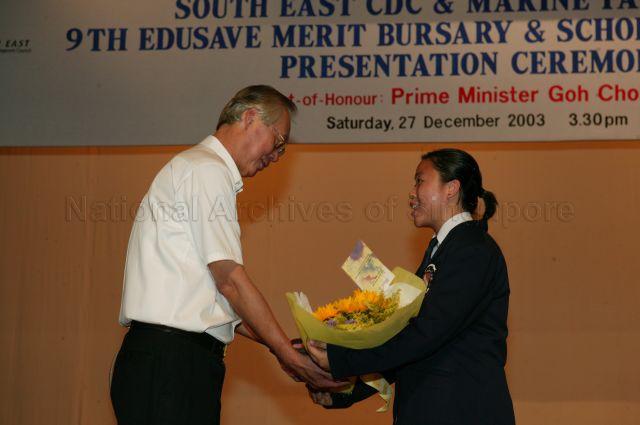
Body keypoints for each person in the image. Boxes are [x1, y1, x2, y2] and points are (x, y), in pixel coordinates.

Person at [111, 85, 342, 425]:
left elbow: (217, 303)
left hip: (174, 362)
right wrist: (285, 353)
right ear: (250, 118)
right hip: (171, 363)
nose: (277, 157)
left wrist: (283, 347)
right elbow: (230, 281)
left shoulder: (198, 169)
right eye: (278, 142)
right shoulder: (206, 170)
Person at [306, 149, 515, 425]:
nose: (412, 193)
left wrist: (341, 360)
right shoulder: (441, 251)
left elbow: (424, 335)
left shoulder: (473, 251)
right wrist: (346, 391)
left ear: (451, 188)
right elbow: (407, 341)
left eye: (420, 181)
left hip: (461, 410)